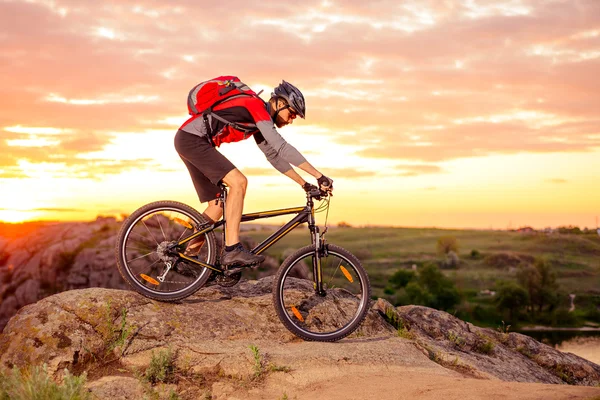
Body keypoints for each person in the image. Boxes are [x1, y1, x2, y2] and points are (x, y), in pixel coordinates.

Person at [174, 79, 333, 272]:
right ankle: (232, 249)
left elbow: (273, 155)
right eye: (291, 113)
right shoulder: (255, 106)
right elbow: (282, 147)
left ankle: (185, 255)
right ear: (279, 103)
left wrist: (304, 183)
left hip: (191, 141)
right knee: (239, 183)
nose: (291, 120)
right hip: (192, 140)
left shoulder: (259, 121)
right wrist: (319, 176)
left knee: (217, 205)